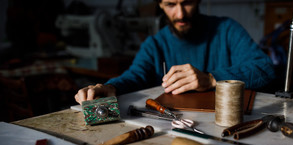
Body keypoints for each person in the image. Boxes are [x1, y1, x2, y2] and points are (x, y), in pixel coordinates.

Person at [75, 0, 275, 104]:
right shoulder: (155, 44)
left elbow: (264, 68)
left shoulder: (228, 30)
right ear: (160, 5)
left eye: (186, 2)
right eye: (171, 4)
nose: (180, 14)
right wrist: (111, 87)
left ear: (198, 0)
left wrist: (211, 79)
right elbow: (134, 76)